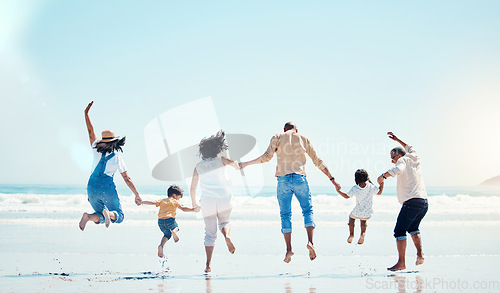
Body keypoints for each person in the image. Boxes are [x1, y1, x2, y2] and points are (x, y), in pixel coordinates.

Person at [239, 122, 340, 263]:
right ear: (296, 130)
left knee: (285, 214)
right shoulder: (304, 139)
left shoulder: (277, 137)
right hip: (300, 178)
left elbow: (266, 157)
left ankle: (289, 249)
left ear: (284, 129)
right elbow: (318, 161)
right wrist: (332, 180)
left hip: (283, 180)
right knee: (307, 211)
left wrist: (246, 163)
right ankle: (310, 242)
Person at [79, 101, 142, 231]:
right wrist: (136, 194)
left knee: (100, 216)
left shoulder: (95, 148)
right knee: (119, 216)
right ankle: (109, 213)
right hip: (105, 188)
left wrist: (86, 113)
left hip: (91, 187)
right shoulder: (117, 158)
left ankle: (88, 217)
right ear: (115, 142)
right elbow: (127, 179)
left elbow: (90, 131)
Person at [377, 132, 429, 271]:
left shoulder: (403, 160)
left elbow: (397, 169)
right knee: (413, 228)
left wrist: (382, 176)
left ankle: (401, 263)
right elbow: (409, 146)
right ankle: (420, 255)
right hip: (423, 202)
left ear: (399, 155)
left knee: (399, 230)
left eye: (392, 157)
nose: (392, 160)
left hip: (412, 202)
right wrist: (396, 139)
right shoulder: (414, 157)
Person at [190, 130, 240, 273]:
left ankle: (208, 264)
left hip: (207, 200)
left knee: (209, 233)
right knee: (224, 222)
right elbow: (235, 164)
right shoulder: (221, 160)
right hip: (224, 197)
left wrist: (194, 204)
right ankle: (227, 236)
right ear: (217, 149)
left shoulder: (198, 166)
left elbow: (193, 187)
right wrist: (237, 165)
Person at [140, 185, 199, 258]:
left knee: (167, 234)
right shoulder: (175, 201)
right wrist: (193, 210)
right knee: (176, 227)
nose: (178, 200)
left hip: (160, 221)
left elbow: (152, 202)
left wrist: (141, 202)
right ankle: (174, 231)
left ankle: (161, 246)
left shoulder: (162, 200)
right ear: (174, 195)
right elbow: (183, 208)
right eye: (179, 198)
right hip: (170, 220)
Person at [336, 169, 383, 245]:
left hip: (357, 211)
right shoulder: (371, 186)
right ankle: (362, 234)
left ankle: (351, 234)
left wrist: (338, 191)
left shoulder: (355, 188)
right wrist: (381, 184)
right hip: (368, 212)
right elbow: (379, 192)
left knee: (351, 218)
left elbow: (346, 196)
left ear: (356, 179)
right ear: (366, 178)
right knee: (363, 221)